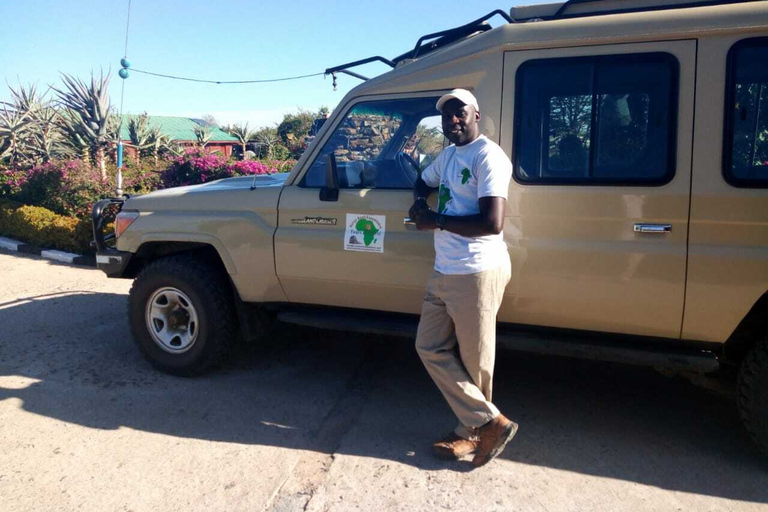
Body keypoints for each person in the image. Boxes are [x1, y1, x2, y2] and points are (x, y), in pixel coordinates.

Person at [409, 89, 516, 467]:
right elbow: (425, 180)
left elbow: (492, 222)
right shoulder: (450, 155)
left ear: (476, 115)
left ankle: (472, 434)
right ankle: (489, 423)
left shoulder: (489, 157)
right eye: (445, 116)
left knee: (476, 361)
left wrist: (434, 220)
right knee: (428, 345)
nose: (451, 120)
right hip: (445, 268)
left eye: (459, 113)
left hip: (476, 270)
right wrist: (421, 201)